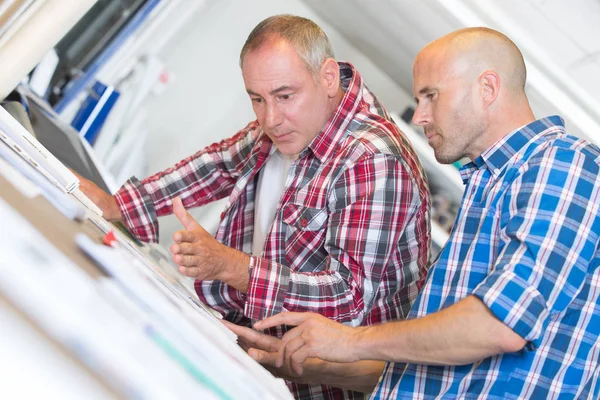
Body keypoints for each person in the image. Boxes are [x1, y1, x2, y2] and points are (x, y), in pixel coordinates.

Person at [78, 14, 431, 399]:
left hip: (319, 390)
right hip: (254, 360)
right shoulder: (290, 124)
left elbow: (348, 298)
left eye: (284, 96)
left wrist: (230, 267)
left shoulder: (373, 160)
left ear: (328, 77)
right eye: (257, 99)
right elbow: (219, 165)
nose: (270, 118)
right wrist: (120, 205)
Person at [238, 27, 600, 399]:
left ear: (487, 88)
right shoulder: (491, 186)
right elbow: (426, 371)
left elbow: (499, 325)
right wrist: (292, 360)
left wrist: (351, 340)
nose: (421, 116)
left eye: (431, 96)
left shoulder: (565, 165)